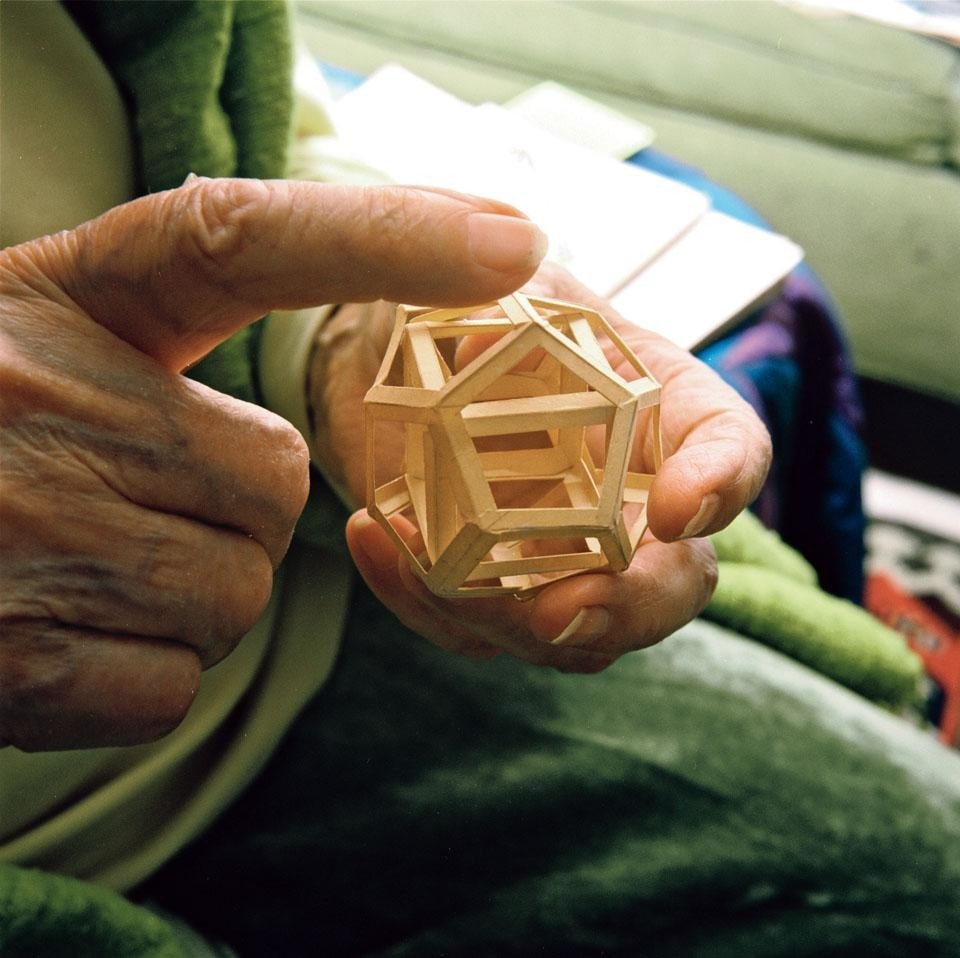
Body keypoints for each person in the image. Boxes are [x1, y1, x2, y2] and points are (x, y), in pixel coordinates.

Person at [2, 2, 958, 954]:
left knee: (923, 869)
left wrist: (330, 327)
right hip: (62, 816)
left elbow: (223, 104)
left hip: (307, 595)